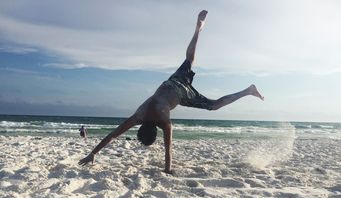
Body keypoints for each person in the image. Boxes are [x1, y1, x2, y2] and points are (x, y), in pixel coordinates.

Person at [79, 10, 264, 174]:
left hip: (182, 94)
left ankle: (247, 91)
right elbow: (113, 134)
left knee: (214, 105)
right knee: (189, 60)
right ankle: (198, 29)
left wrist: (168, 170)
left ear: (155, 131)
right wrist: (92, 153)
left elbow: (167, 150)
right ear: (142, 127)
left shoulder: (163, 122)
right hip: (170, 83)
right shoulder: (139, 114)